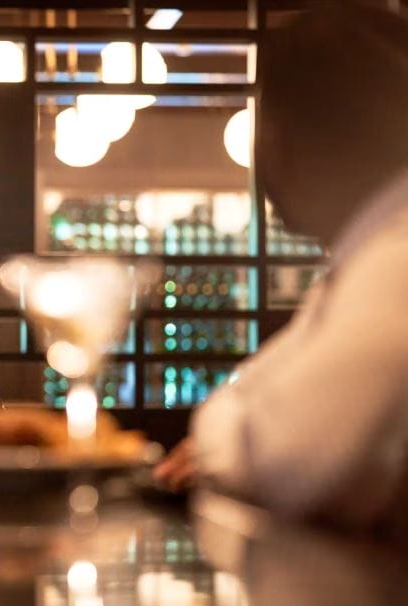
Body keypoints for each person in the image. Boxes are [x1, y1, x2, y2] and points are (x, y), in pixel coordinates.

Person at [155, 3, 408, 537]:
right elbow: (267, 391)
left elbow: (286, 452)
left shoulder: (394, 258)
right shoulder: (367, 253)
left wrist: (218, 436)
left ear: (288, 139)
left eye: (264, 122)